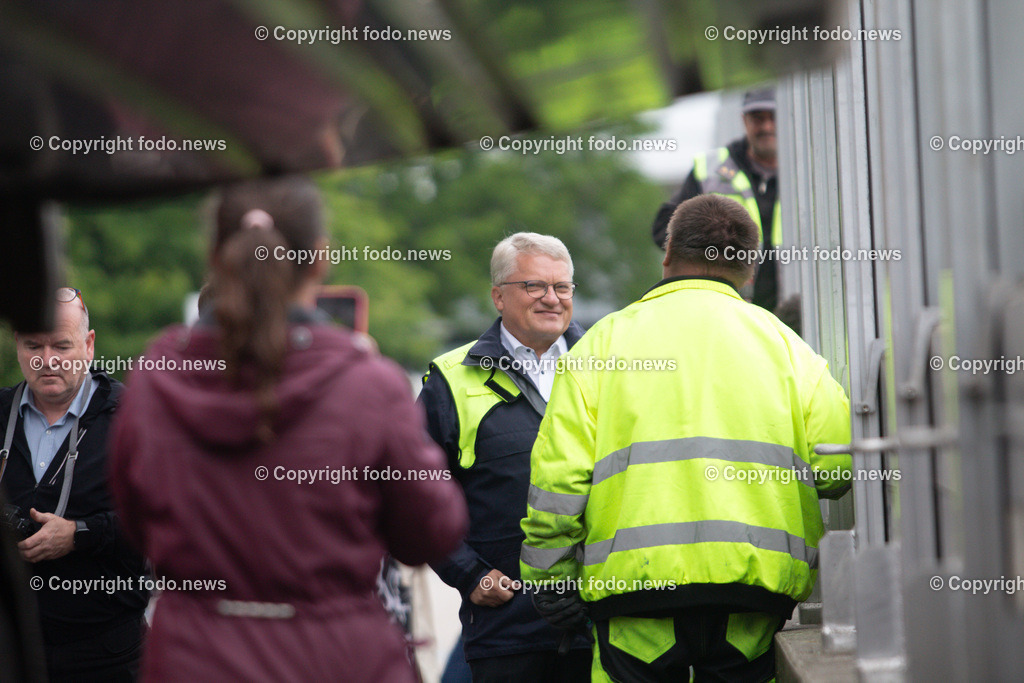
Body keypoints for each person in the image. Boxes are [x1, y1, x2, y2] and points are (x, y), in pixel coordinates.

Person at [108, 177, 468, 682]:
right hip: (335, 659)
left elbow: (134, 520)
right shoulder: (368, 384)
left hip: (195, 655)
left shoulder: (155, 377)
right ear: (321, 258)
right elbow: (432, 531)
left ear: (214, 255)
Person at [522, 194, 852, 681]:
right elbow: (837, 468)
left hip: (632, 597)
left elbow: (558, 482)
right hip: (752, 597)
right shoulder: (787, 347)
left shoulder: (601, 345)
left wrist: (550, 581)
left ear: (668, 254)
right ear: (750, 269)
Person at [420, 233, 591, 682]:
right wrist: (468, 574)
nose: (552, 298)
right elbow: (414, 493)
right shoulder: (451, 380)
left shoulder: (609, 366)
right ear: (498, 296)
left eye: (563, 287)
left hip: (604, 627)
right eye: (534, 286)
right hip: (506, 631)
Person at [0, 287, 148, 681]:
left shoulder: (131, 418)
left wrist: (79, 534)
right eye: (34, 345)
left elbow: (160, 520)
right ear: (17, 344)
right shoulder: (1, 414)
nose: (47, 360)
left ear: (89, 344)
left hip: (108, 656)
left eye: (61, 346)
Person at [651, 86, 782, 310]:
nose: (766, 126)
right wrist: (712, 251)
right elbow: (664, 228)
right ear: (744, 120)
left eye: (773, 117)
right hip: (726, 308)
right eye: (758, 118)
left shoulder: (812, 167)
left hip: (794, 310)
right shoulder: (711, 169)